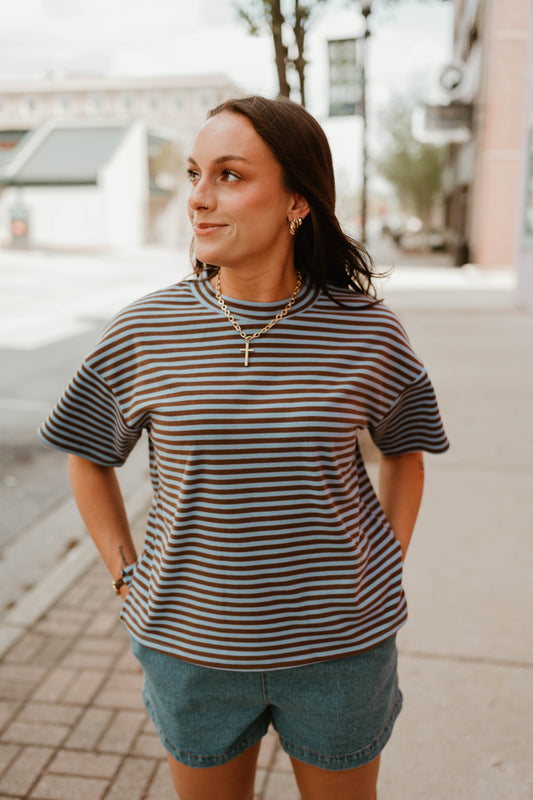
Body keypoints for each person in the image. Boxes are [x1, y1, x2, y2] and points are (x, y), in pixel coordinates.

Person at [39, 95, 449, 800]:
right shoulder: (145, 329)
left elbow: (406, 453)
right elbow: (88, 455)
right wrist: (123, 575)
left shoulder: (367, 331)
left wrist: (382, 565)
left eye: (229, 175)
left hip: (339, 653)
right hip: (188, 651)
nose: (197, 198)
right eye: (196, 173)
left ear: (297, 201)